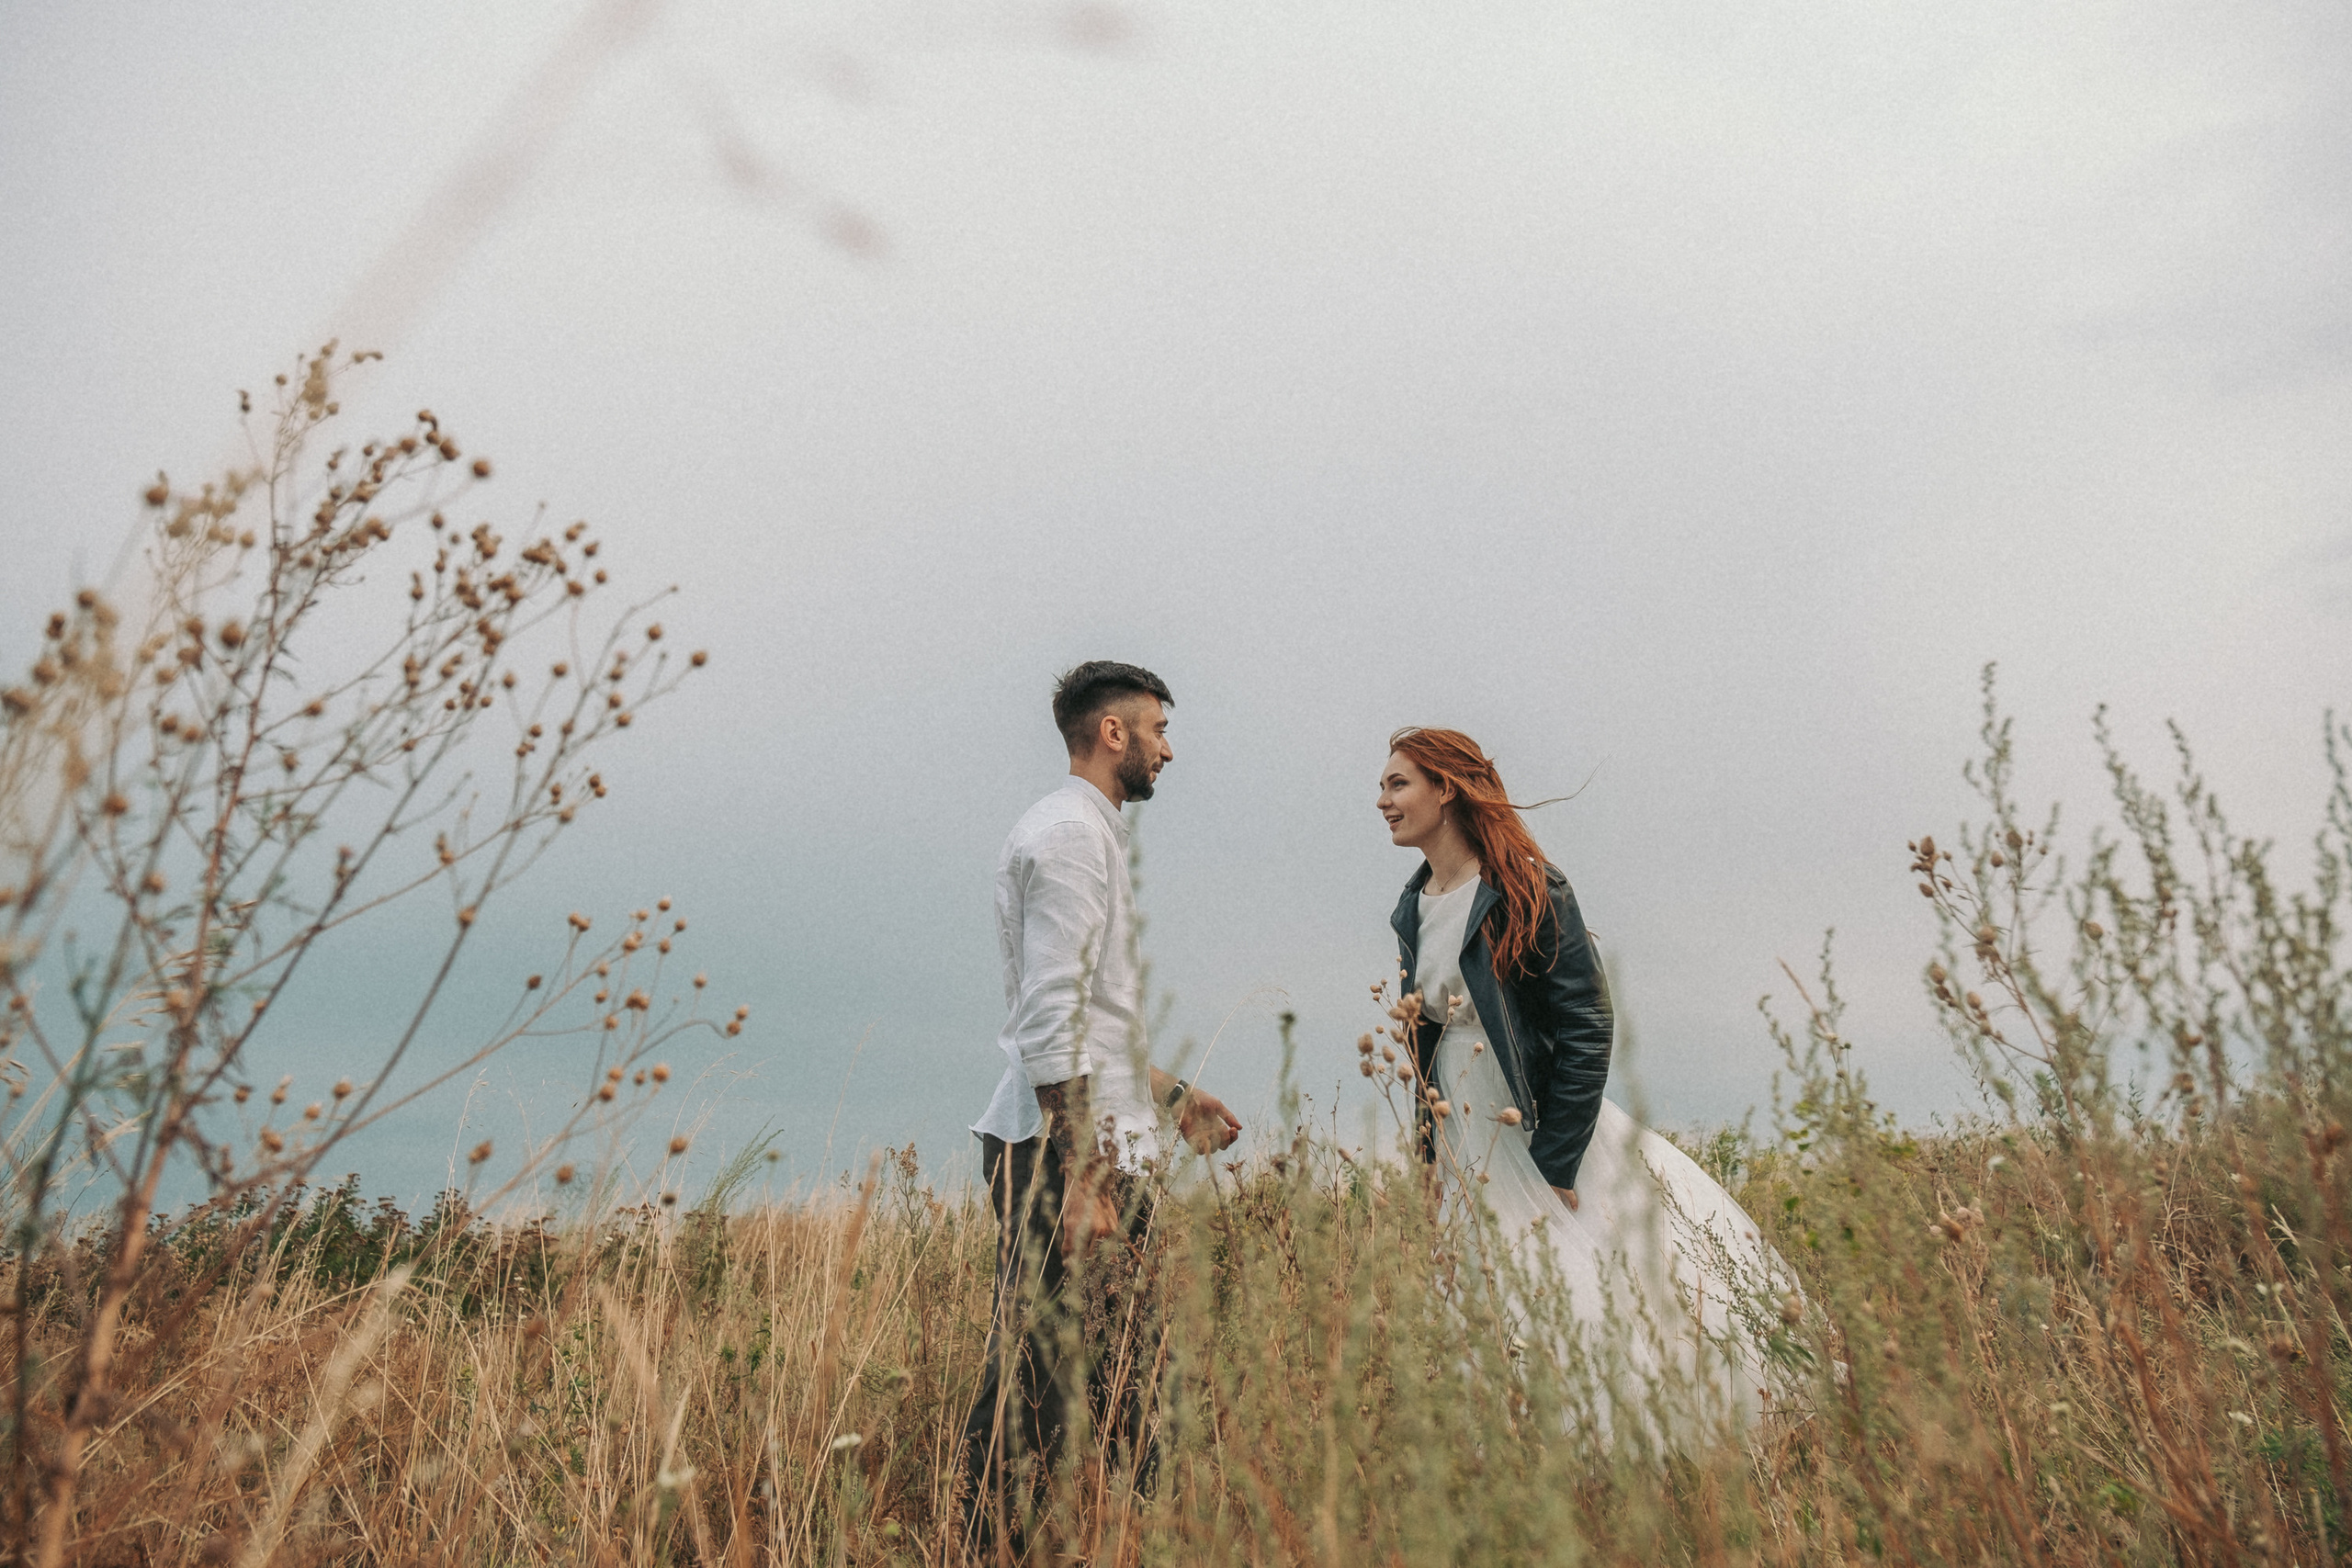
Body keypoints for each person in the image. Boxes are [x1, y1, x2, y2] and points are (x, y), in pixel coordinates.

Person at [1377, 726, 1778, 1420]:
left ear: (1445, 789)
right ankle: (1514, 1449)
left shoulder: (1528, 887)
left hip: (1529, 1123)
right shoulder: (1413, 904)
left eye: (1397, 783)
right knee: (1485, 1290)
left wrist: (1556, 1162)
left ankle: (1619, 1436)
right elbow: (1428, 1043)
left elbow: (1587, 1025)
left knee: (1572, 1284)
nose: (1382, 800)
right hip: (1462, 1130)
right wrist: (1427, 1159)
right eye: (1383, 785)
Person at [960, 660, 1243, 1558]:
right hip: (1063, 1153)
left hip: (1085, 1139)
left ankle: (1109, 1536)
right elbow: (1049, 1012)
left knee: (1103, 1370)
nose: (1168, 746)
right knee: (1062, 1378)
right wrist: (1082, 1174)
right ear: (1112, 733)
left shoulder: (1085, 833)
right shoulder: (1071, 837)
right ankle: (996, 1543)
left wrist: (1167, 1092)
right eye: (1157, 728)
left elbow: (1088, 1011)